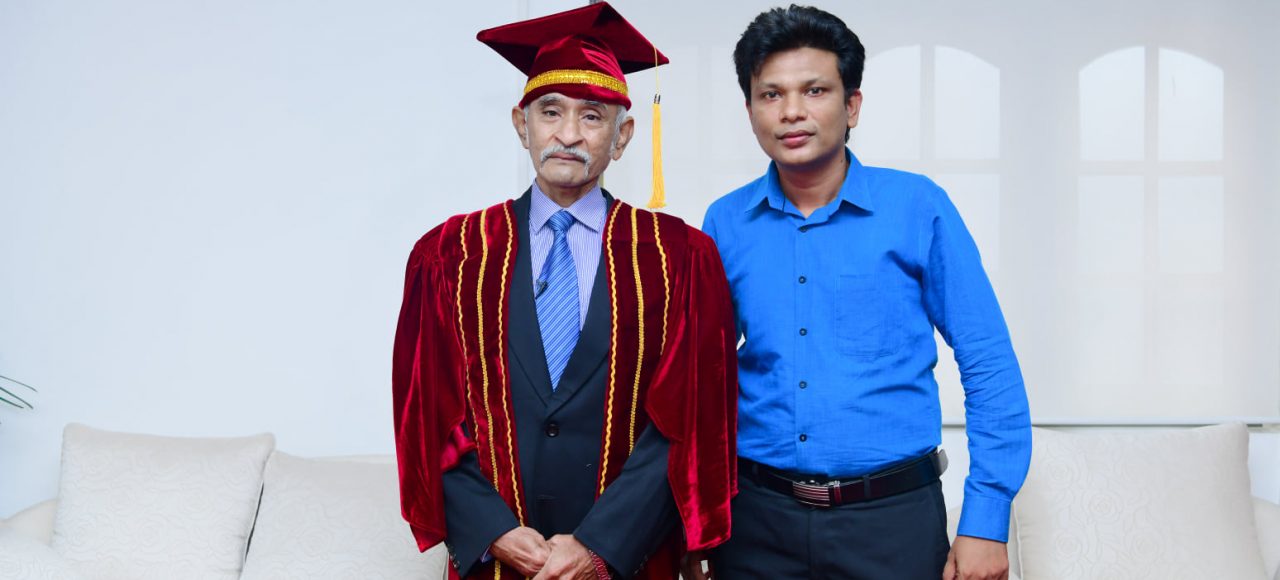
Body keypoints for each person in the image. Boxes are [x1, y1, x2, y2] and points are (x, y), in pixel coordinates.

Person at [391, 3, 738, 579]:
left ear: (623, 137)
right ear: (520, 124)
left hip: (628, 559)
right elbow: (426, 411)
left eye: (592, 116)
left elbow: (691, 418)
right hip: (497, 561)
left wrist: (601, 545)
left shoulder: (678, 256)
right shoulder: (452, 254)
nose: (569, 134)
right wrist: (493, 530)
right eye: (550, 112)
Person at [697, 5, 1032, 580]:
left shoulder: (917, 207)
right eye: (771, 94)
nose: (792, 111)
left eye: (815, 90)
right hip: (755, 524)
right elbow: (700, 380)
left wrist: (986, 518)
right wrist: (697, 521)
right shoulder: (725, 223)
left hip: (890, 524)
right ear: (750, 111)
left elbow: (987, 361)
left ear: (851, 105)